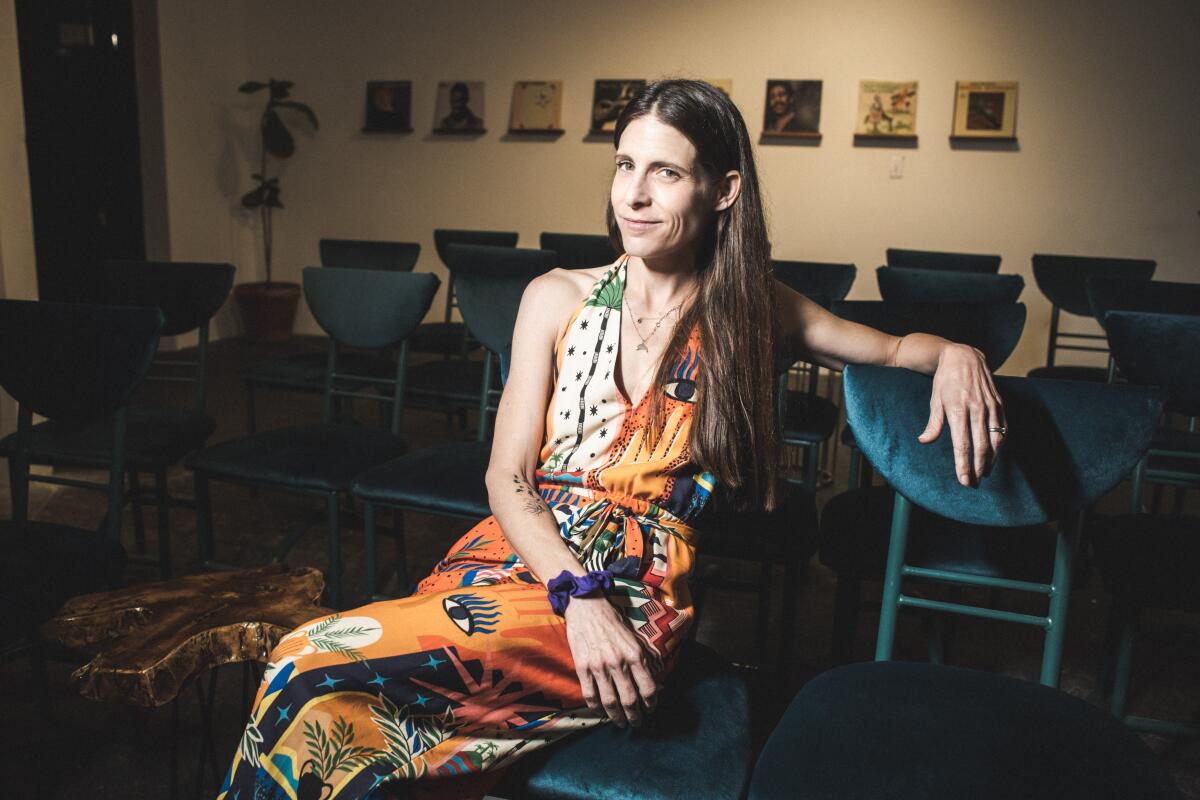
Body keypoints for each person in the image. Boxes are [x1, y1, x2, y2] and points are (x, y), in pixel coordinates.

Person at [219, 79, 1006, 799]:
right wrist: (571, 592)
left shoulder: (755, 311)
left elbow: (897, 349)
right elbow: (506, 476)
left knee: (304, 660)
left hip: (632, 590)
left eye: (666, 172)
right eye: (625, 164)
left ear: (724, 190)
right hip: (516, 557)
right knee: (339, 729)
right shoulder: (554, 297)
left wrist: (960, 354)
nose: (633, 193)